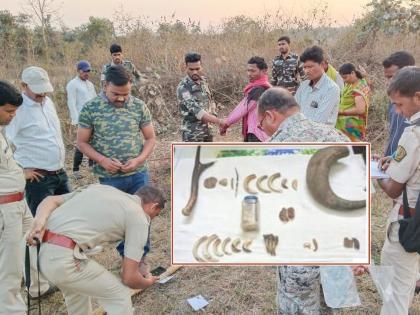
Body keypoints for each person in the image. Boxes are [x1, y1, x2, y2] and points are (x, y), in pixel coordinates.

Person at [257, 87, 350, 314]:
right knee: (329, 305)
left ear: (270, 115)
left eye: (261, 125)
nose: (264, 131)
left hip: (298, 251)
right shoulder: (336, 136)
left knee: (297, 306)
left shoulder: (271, 150)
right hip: (336, 247)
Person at [26, 184, 166, 315]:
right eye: (156, 214)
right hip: (62, 259)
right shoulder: (139, 217)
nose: (152, 219)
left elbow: (50, 200)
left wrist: (38, 221)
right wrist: (147, 282)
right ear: (154, 206)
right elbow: (129, 278)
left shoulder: (99, 188)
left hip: (35, 253)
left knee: (77, 293)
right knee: (119, 295)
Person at [355, 67, 420, 315]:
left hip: (408, 222)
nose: (397, 111)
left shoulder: (413, 133)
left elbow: (393, 189)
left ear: (418, 96)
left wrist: (377, 175)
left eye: (399, 104)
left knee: (395, 295)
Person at [77, 65, 155, 266]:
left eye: (126, 94)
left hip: (138, 174)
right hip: (110, 178)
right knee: (119, 220)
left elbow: (150, 138)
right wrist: (102, 160)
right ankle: (126, 259)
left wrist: (139, 160)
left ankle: (140, 259)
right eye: (116, 94)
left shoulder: (138, 106)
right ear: (104, 86)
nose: (121, 99)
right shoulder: (91, 108)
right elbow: (82, 142)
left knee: (142, 217)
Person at [0, 80, 55, 314]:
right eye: (9, 111)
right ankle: (11, 309)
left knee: (31, 245)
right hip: (5, 209)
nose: (13, 116)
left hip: (18, 202)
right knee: (9, 267)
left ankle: (38, 287)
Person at [5, 66, 70, 216]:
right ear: (24, 86)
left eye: (44, 89)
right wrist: (20, 172)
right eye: (38, 90)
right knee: (42, 224)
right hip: (39, 180)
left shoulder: (48, 103)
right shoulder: (17, 110)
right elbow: (5, 144)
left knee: (68, 218)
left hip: (60, 174)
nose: (42, 93)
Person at [219, 56, 271, 142]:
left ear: (264, 71)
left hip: (257, 134)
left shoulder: (260, 89)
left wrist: (227, 123)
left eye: (253, 71)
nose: (249, 74)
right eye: (248, 70)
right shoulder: (263, 86)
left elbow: (243, 108)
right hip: (259, 132)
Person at [177, 52, 223, 142]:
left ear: (202, 67)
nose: (194, 72)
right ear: (186, 67)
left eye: (197, 69)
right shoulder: (183, 87)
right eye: (191, 69)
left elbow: (211, 101)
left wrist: (213, 117)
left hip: (208, 132)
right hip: (193, 135)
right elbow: (197, 112)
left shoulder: (204, 81)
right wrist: (219, 121)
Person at [295, 46, 340, 127]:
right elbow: (294, 109)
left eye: (310, 67)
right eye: (304, 67)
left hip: (320, 137)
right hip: (300, 133)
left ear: (322, 64)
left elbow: (319, 122)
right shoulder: (304, 85)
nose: (306, 71)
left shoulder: (331, 89)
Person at [66, 60, 96, 179]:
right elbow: (71, 103)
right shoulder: (72, 84)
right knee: (80, 145)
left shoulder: (90, 84)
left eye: (88, 71)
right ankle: (75, 170)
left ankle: (92, 166)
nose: (87, 73)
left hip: (92, 118)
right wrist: (76, 120)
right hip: (81, 119)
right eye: (85, 71)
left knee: (93, 144)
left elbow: (94, 101)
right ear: (79, 71)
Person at [382, 51, 416, 157]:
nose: (389, 83)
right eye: (387, 78)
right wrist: (388, 156)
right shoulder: (394, 101)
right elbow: (393, 133)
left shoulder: (415, 105)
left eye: (392, 77)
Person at [336, 63, 371, 141]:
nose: (344, 80)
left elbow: (360, 110)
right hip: (342, 124)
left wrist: (341, 112)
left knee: (353, 149)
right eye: (342, 78)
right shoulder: (351, 83)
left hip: (352, 126)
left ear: (352, 73)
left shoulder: (358, 88)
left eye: (345, 77)